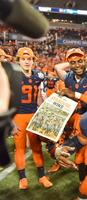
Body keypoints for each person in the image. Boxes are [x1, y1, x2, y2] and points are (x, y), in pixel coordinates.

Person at [54, 48, 87, 199]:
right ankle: (84, 189)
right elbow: (57, 68)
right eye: (72, 62)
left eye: (79, 61)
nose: (77, 65)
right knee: (79, 159)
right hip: (79, 120)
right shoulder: (68, 77)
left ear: (84, 61)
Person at [10, 47, 52, 189]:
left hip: (34, 115)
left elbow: (40, 99)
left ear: (33, 60)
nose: (26, 62)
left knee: (37, 147)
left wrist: (44, 115)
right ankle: (22, 178)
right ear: (18, 61)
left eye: (29, 59)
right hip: (18, 117)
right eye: (23, 59)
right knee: (19, 148)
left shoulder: (39, 75)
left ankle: (42, 176)